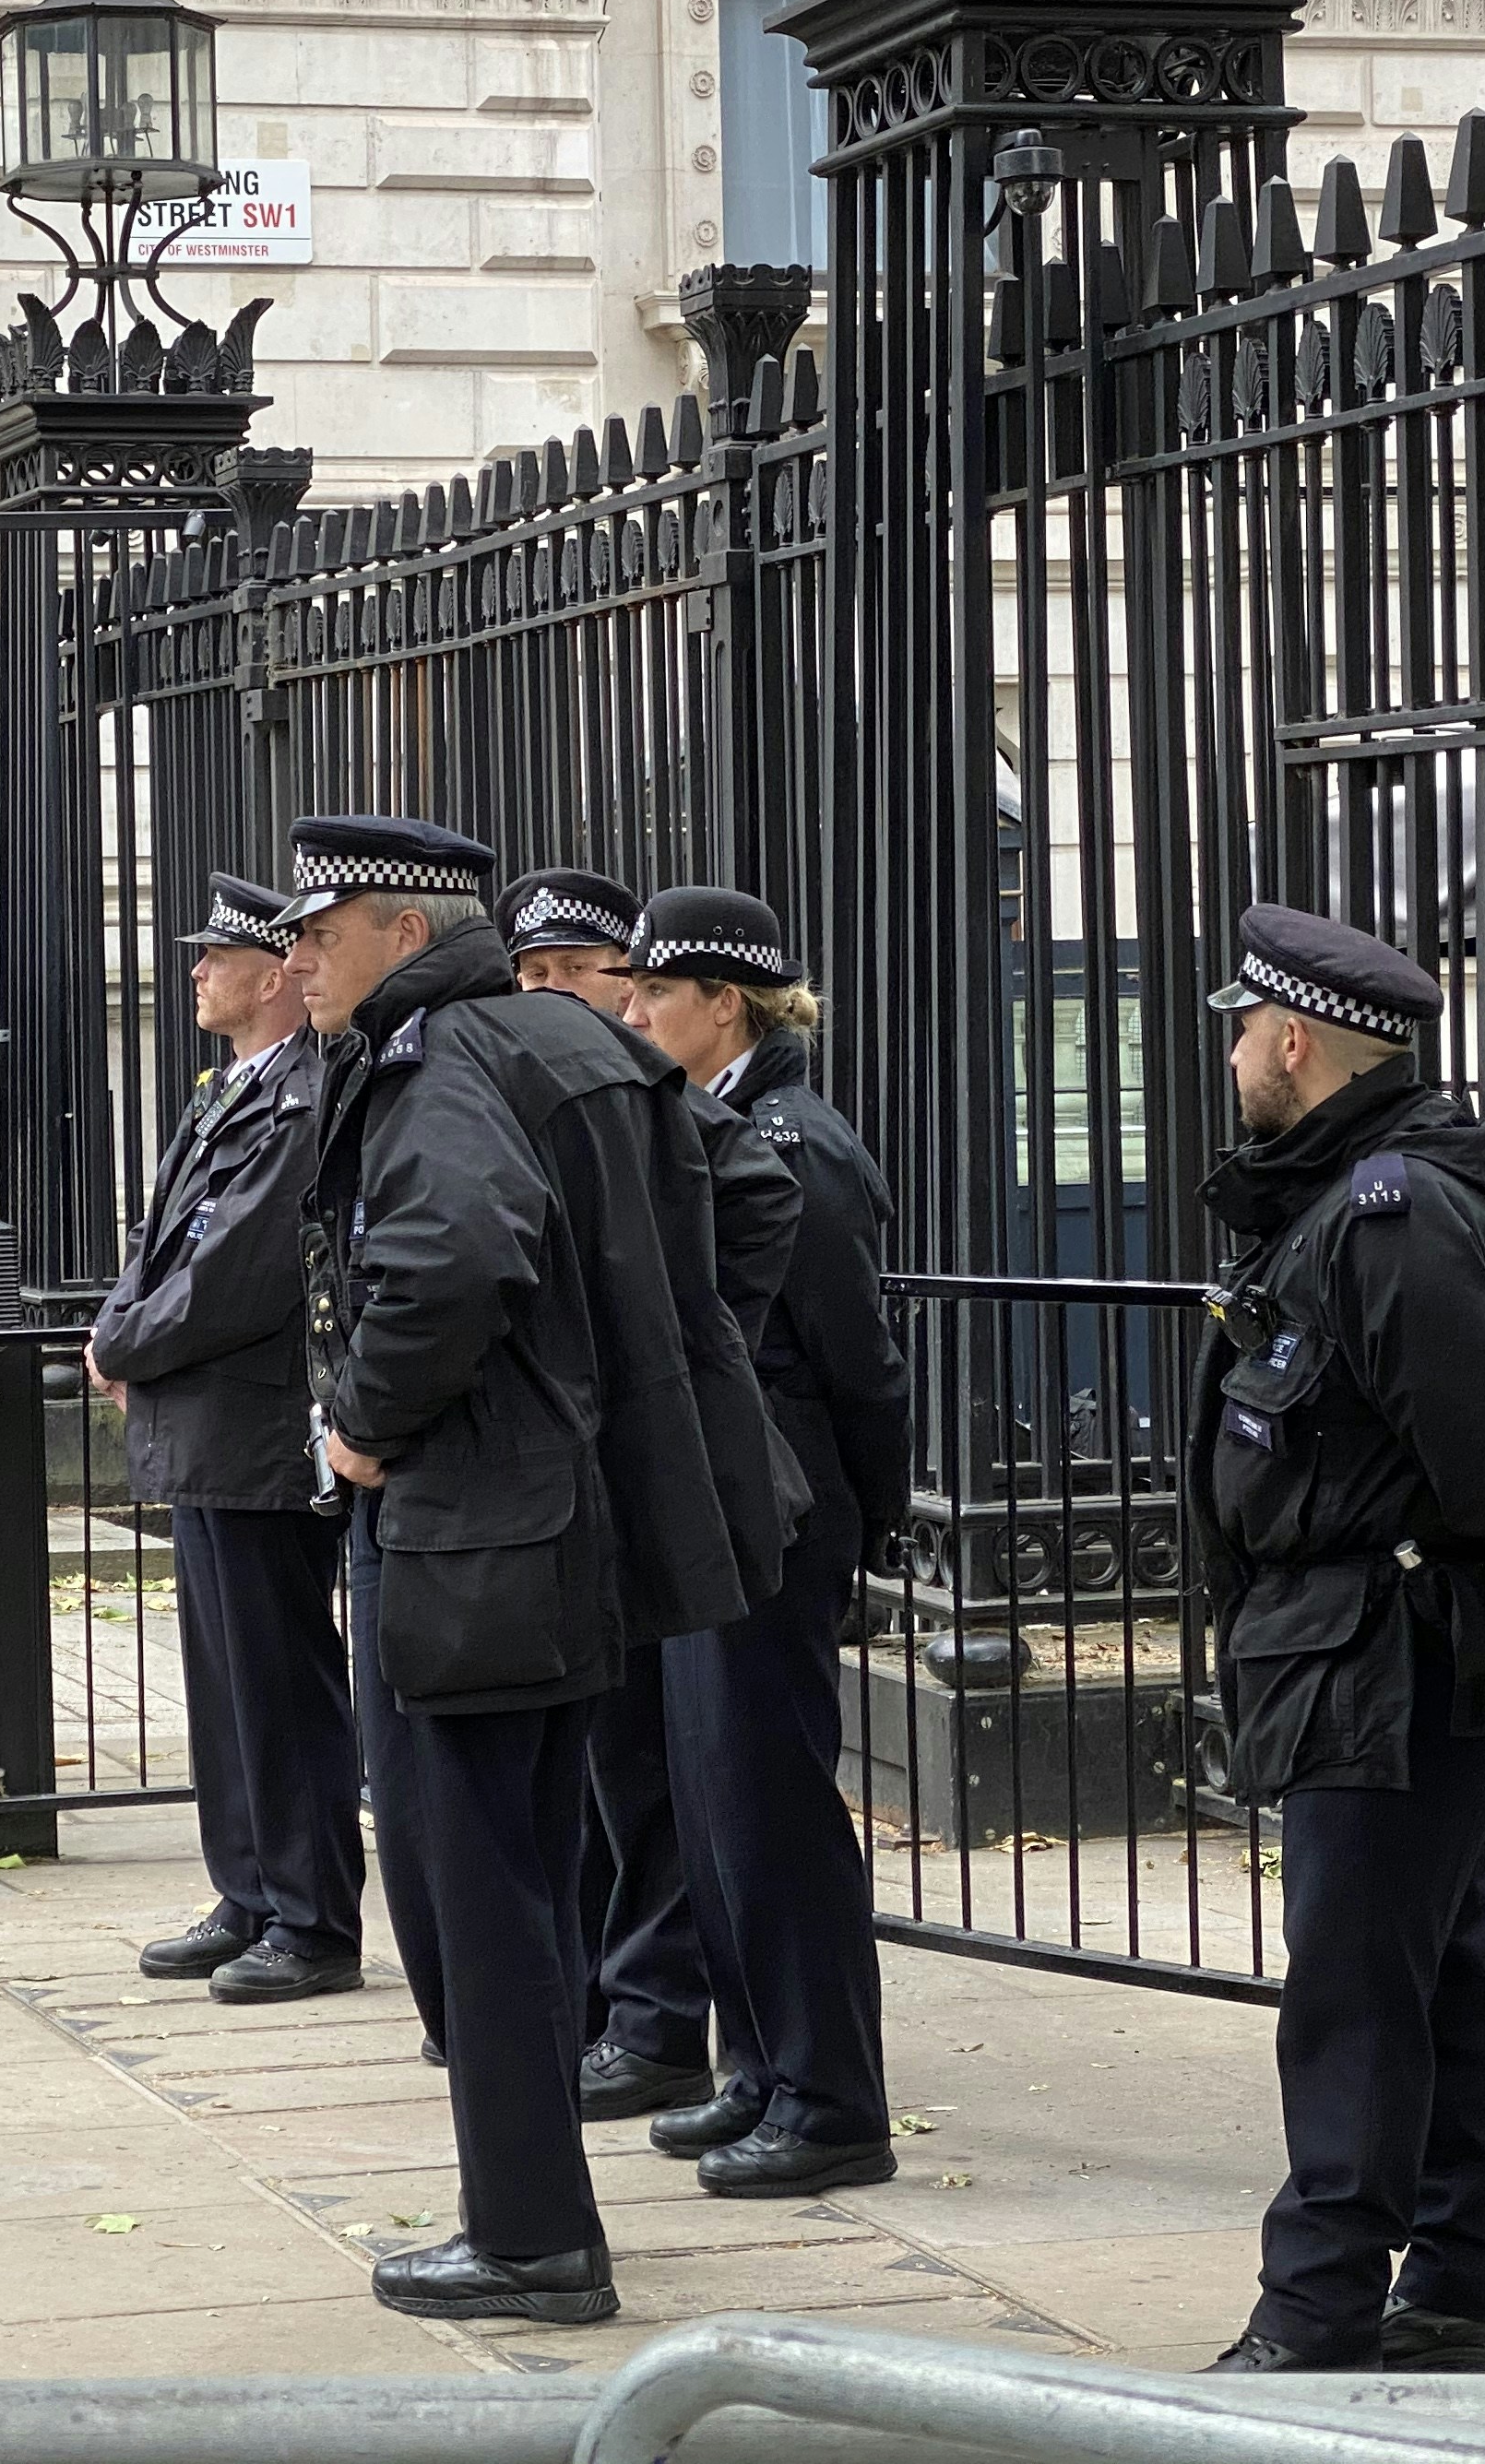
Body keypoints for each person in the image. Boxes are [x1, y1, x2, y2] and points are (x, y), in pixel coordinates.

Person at [279, 813, 780, 2327]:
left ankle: (529, 2234)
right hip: (554, 1531)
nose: (293, 958)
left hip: (471, 1535)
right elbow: (737, 1204)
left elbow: (452, 1258)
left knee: (470, 1881)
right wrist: (629, 1390)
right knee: (528, 1869)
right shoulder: (569, 1042)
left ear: (399, 927)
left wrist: (363, 1422)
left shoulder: (446, 1061)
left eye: (317, 929)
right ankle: (534, 2206)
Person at [1190, 904, 1485, 2378]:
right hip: (1362, 1650)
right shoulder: (1350, 1195)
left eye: (1244, 1031)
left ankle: (1316, 2315)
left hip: (1390, 1653)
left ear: (1295, 1041)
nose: (1236, 1054)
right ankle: (1466, 2290)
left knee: (1355, 1995)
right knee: (1430, 1979)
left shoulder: (1391, 1208)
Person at [621, 884, 909, 2194]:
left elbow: (861, 1363)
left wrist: (874, 1525)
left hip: (782, 1515)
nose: (631, 1015)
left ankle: (835, 2099)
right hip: (716, 1513)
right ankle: (764, 2070)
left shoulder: (797, 1142)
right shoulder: (706, 1122)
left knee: (777, 1809)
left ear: (720, 1004)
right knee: (716, 1804)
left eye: (651, 995)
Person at [496, 864, 789, 2126]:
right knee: (625, 1778)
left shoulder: (740, 1127)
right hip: (620, 1473)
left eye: (595, 977)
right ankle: (643, 2008)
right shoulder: (595, 1095)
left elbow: (773, 1282)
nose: (566, 1000)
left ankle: (677, 2023)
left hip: (701, 1483)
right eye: (536, 976)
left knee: (690, 1793)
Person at [88, 874, 362, 2003]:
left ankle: (312, 1915)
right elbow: (161, 1238)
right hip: (199, 1427)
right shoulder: (227, 1089)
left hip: (250, 1427)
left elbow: (239, 1272)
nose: (196, 974)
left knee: (278, 1679)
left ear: (269, 978)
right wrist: (119, 1326)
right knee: (223, 1680)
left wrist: (127, 1345)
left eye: (214, 959)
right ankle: (248, 1891)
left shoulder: (299, 1097)